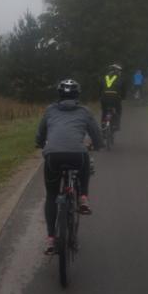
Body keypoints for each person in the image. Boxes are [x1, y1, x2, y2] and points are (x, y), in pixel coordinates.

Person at [35, 78, 102, 255]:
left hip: (53, 157)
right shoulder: (84, 111)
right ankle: (83, 197)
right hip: (77, 156)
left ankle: (51, 239)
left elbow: (41, 132)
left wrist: (40, 143)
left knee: (51, 195)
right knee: (84, 157)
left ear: (59, 94)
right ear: (77, 95)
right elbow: (95, 134)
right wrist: (98, 144)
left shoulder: (50, 110)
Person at [99, 63, 126, 130]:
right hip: (115, 97)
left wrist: (100, 96)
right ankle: (117, 124)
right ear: (116, 71)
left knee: (104, 111)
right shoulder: (120, 78)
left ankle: (103, 123)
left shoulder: (105, 77)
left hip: (104, 97)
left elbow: (100, 88)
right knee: (118, 109)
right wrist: (123, 97)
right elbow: (123, 89)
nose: (120, 72)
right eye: (119, 71)